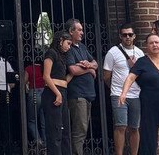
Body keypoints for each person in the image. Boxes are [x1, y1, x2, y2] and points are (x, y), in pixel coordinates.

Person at [103, 24, 143, 155]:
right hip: (118, 94)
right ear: (120, 36)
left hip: (136, 95)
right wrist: (115, 89)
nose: (127, 37)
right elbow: (106, 76)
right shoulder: (112, 52)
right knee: (121, 126)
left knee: (135, 128)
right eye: (124, 35)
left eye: (130, 35)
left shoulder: (139, 53)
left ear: (134, 36)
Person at [65, 19, 98, 155]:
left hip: (88, 95)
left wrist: (89, 65)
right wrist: (89, 70)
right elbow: (73, 70)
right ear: (71, 31)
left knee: (83, 130)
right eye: (79, 30)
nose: (82, 33)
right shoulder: (69, 49)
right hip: (78, 95)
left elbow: (95, 63)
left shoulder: (82, 47)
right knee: (80, 130)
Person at [41, 30, 73, 155]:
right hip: (53, 92)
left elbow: (63, 79)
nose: (69, 47)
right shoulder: (51, 53)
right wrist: (57, 93)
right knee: (55, 130)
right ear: (60, 40)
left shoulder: (62, 56)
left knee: (64, 129)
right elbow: (46, 76)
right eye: (68, 43)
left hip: (62, 90)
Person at [24, 58, 45, 145]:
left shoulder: (29, 68)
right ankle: (46, 144)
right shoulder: (44, 68)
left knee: (32, 120)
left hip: (34, 93)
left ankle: (38, 140)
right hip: (44, 93)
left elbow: (24, 81)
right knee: (43, 120)